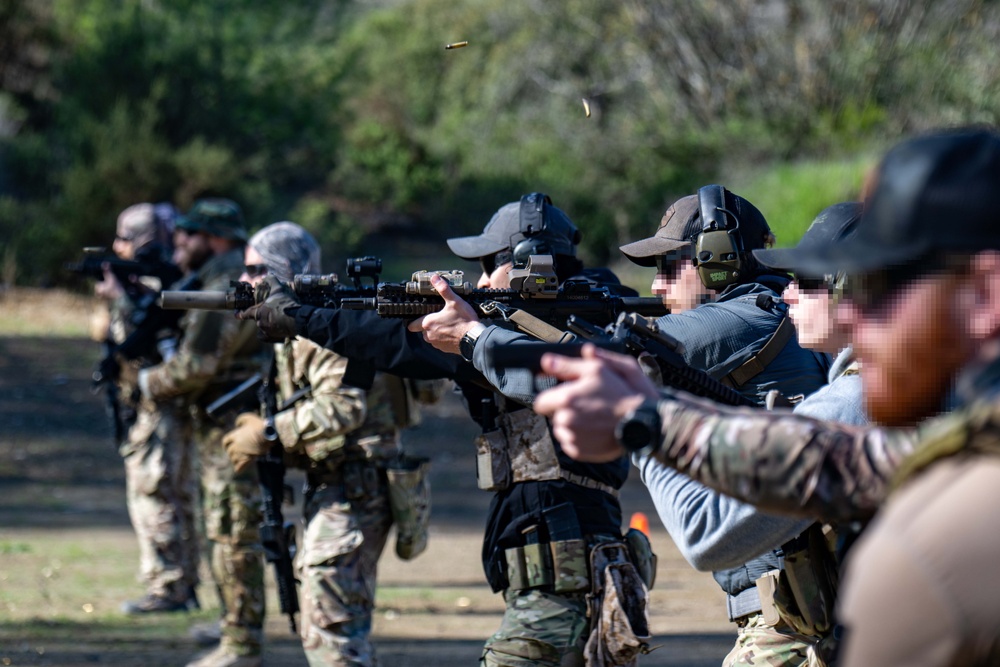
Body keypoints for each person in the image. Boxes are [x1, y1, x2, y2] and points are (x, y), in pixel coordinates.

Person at [536, 128, 1000, 665]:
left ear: (986, 296)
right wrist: (650, 417)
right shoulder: (949, 444)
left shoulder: (937, 554)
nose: (850, 314)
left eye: (880, 288)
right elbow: (837, 460)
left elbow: (730, 518)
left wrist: (637, 417)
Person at [246, 194, 653, 667]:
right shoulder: (584, 323)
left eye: (487, 265)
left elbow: (390, 343)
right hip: (572, 569)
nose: (479, 281)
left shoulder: (551, 332)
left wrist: (300, 317)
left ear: (525, 263)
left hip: (562, 576)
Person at [453, 187, 830, 665]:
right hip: (807, 601)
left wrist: (472, 337)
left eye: (670, 267)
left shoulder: (737, 322)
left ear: (718, 262)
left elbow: (586, 377)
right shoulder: (783, 316)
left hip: (792, 617)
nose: (656, 286)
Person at [221, 221, 431, 666]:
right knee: (328, 625)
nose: (243, 281)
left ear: (281, 272)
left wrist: (270, 431)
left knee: (334, 633)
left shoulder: (322, 323)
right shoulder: (303, 321)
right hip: (340, 484)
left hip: (356, 487)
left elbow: (343, 408)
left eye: (255, 269)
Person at [137, 198, 266, 667]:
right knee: (227, 528)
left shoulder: (221, 285)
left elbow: (198, 363)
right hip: (229, 420)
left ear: (213, 238)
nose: (179, 243)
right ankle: (233, 623)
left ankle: (241, 641)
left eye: (188, 235)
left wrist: (148, 382)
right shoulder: (228, 276)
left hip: (231, 425)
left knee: (233, 529)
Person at [90, 203, 202, 614]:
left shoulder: (160, 284)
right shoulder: (154, 279)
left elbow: (144, 338)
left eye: (123, 238)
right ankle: (181, 582)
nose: (117, 247)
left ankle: (170, 586)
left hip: (158, 405)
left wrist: (120, 299)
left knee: (157, 494)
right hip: (155, 404)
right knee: (175, 494)